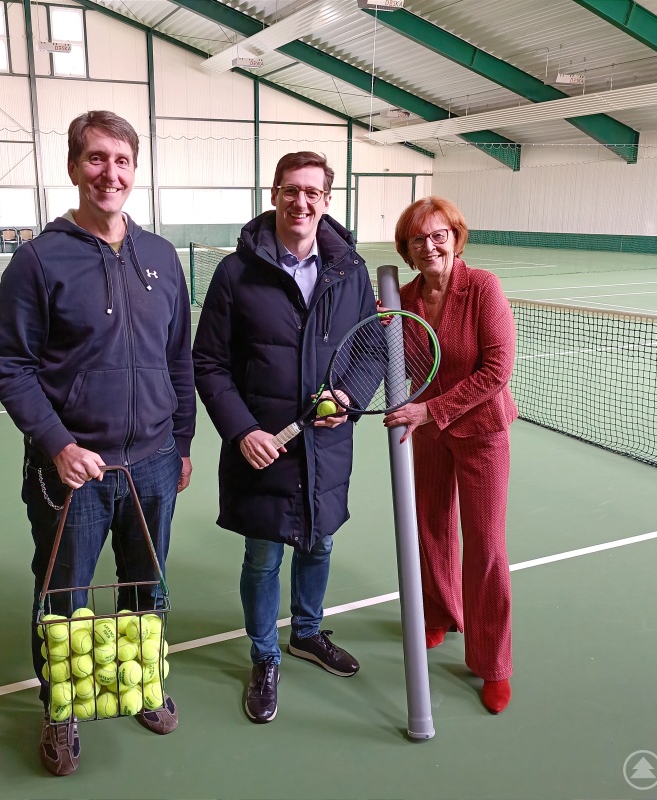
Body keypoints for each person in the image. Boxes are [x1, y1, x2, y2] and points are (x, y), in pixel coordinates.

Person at [0, 110, 195, 774]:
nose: (111, 173)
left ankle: (140, 684)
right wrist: (56, 444)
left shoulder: (162, 257)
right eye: (97, 159)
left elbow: (180, 359)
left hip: (155, 465)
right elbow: (12, 367)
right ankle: (60, 711)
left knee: (146, 589)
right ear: (75, 167)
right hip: (74, 471)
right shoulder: (38, 260)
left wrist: (182, 440)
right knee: (62, 601)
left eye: (123, 161)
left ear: (137, 169)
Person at [192, 152, 376, 724]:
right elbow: (209, 363)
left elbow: (369, 348)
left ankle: (308, 632)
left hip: (326, 443)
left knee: (319, 542)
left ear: (327, 200)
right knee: (265, 554)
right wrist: (242, 430)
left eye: (313, 193)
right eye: (291, 190)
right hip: (263, 447)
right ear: (274, 193)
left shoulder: (351, 270)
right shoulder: (235, 273)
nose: (301, 202)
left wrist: (349, 398)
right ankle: (265, 655)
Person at [383, 196, 517, 715]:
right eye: (419, 239)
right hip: (429, 434)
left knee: (486, 548)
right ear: (408, 250)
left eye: (439, 235)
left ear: (455, 239)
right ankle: (437, 613)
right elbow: (391, 356)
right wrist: (384, 329)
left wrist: (431, 411)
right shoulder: (405, 298)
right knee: (431, 529)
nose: (431, 245)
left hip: (482, 431)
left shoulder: (482, 287)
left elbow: (496, 370)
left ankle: (493, 663)